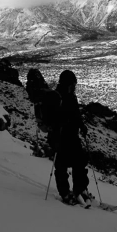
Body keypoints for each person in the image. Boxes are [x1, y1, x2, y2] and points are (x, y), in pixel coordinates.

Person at [47, 70, 92, 206]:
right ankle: (65, 193)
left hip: (72, 136)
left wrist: (82, 126)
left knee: (80, 161)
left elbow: (76, 115)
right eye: (72, 84)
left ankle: (80, 189)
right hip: (59, 137)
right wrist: (62, 123)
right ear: (68, 83)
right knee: (61, 166)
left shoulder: (71, 97)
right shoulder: (56, 97)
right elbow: (52, 118)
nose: (74, 87)